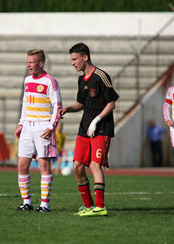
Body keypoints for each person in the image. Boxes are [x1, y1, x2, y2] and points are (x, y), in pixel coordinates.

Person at [59, 43, 119, 216]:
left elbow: (111, 103)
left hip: (101, 128)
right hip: (84, 128)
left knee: (94, 165)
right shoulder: (81, 80)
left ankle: (100, 207)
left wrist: (97, 120)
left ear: (85, 57)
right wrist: (68, 109)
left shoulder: (101, 75)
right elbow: (81, 104)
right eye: (71, 60)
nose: (72, 63)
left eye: (74, 59)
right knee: (77, 167)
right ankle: (89, 206)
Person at [15, 49, 62, 212]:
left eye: (31, 62)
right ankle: (27, 202)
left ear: (41, 63)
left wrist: (51, 127)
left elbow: (57, 105)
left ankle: (45, 205)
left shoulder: (50, 81)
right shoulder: (27, 80)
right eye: (27, 62)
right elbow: (25, 103)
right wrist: (21, 124)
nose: (28, 65)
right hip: (28, 126)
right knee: (22, 165)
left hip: (43, 127)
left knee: (44, 167)